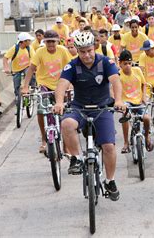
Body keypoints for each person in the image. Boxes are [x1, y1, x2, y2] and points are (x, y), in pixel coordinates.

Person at [53, 32, 125, 201]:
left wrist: (119, 100)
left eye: (89, 50)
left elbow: (116, 81)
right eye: (82, 51)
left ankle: (110, 181)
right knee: (67, 124)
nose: (86, 55)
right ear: (77, 51)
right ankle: (77, 159)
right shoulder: (72, 66)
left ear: (95, 48)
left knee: (108, 146)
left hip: (102, 107)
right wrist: (59, 102)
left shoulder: (106, 62)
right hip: (79, 107)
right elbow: (61, 85)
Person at [21, 30, 72, 153]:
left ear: (57, 41)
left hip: (61, 85)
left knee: (66, 115)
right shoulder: (40, 52)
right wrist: (25, 86)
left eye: (53, 42)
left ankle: (66, 145)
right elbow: (31, 68)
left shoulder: (63, 51)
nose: (50, 44)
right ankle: (44, 140)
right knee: (41, 111)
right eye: (48, 41)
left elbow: (70, 67)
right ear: (44, 42)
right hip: (45, 85)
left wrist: (70, 84)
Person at [118, 50, 152, 153]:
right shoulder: (118, 75)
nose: (128, 66)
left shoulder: (137, 70)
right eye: (125, 64)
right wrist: (118, 102)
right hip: (127, 102)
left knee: (146, 118)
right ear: (120, 64)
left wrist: (144, 98)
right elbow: (113, 89)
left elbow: (144, 84)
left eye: (129, 63)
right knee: (125, 116)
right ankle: (126, 143)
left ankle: (146, 137)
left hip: (139, 102)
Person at [3, 32, 36, 102]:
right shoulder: (15, 48)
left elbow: (34, 58)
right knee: (16, 83)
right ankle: (17, 97)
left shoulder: (29, 48)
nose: (30, 42)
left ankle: (32, 88)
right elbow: (5, 57)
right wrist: (6, 68)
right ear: (24, 41)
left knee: (29, 73)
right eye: (29, 40)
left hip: (26, 67)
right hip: (16, 69)